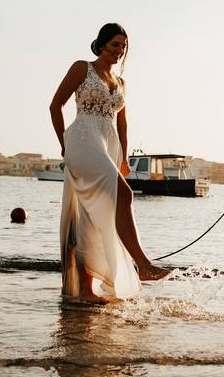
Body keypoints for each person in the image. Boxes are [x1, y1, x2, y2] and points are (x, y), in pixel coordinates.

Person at [49, 23, 170, 303]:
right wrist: (63, 145)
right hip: (82, 140)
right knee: (124, 195)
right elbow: (56, 105)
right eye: (115, 44)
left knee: (91, 215)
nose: (119, 51)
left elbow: (123, 123)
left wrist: (125, 156)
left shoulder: (121, 82)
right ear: (101, 44)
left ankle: (86, 291)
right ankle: (142, 264)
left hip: (108, 144)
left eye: (124, 47)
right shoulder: (82, 68)